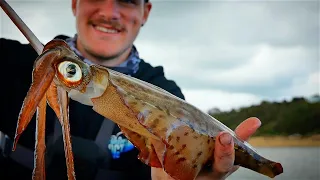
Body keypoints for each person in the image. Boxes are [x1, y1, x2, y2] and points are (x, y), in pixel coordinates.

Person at [0, 0, 262, 179]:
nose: (110, 11)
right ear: (74, 2)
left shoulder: (167, 93)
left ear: (145, 12)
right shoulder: (10, 61)